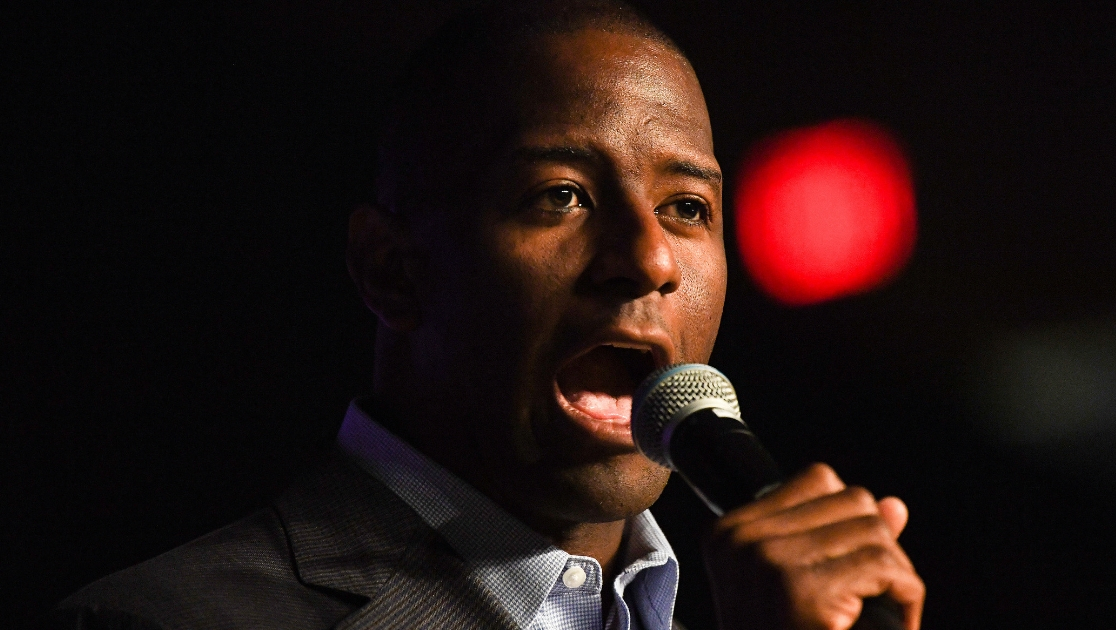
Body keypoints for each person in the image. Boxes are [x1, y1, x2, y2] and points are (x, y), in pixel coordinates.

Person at [53, 2, 924, 629]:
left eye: (688, 208)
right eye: (562, 196)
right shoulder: (163, 618)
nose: (652, 258)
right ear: (392, 271)